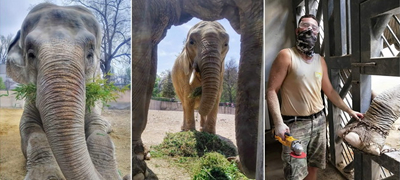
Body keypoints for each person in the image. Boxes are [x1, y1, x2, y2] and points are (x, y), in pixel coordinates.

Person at [266, 14, 364, 180]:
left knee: (314, 167)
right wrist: (278, 123)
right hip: (294, 125)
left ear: (318, 34)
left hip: (318, 122)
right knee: (295, 173)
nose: (310, 29)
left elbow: (330, 91)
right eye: (305, 25)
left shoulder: (320, 60)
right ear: (298, 31)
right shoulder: (286, 56)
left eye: (314, 27)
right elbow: (271, 91)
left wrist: (349, 110)